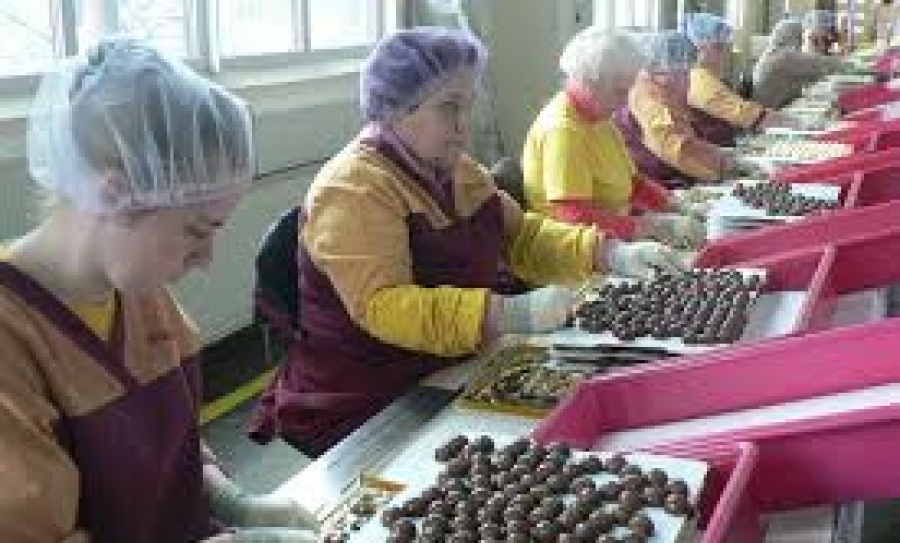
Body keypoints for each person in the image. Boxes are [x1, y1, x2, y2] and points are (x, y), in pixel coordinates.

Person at [249, 27, 683, 457]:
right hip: (371, 396)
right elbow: (385, 306)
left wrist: (608, 252)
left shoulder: (458, 170)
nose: (463, 126)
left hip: (452, 364)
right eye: (448, 108)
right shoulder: (353, 189)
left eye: (467, 107)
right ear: (397, 108)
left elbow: (524, 235)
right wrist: (504, 313)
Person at [1, 37, 321, 543]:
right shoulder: (13, 342)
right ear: (116, 195)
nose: (206, 259)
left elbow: (170, 444)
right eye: (197, 231)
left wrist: (225, 499)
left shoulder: (141, 295)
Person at [521, 26, 704, 247]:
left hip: (613, 236)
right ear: (589, 83)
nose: (626, 100)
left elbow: (634, 184)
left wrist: (674, 205)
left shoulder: (600, 119)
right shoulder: (563, 130)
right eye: (620, 91)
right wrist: (644, 228)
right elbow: (573, 214)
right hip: (574, 251)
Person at [613, 30, 736, 188]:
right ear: (661, 71)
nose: (687, 80)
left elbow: (686, 136)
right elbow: (674, 146)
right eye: (682, 73)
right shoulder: (649, 100)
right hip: (657, 184)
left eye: (687, 72)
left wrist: (720, 154)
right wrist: (723, 166)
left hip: (672, 176)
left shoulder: (662, 91)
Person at [683, 12, 790, 145]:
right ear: (700, 48)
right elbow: (742, 113)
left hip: (723, 140)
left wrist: (778, 116)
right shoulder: (698, 79)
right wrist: (791, 122)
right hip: (715, 146)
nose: (723, 54)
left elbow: (741, 107)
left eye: (723, 47)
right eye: (718, 47)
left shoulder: (706, 75)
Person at [753, 18, 846, 109]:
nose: (802, 41)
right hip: (772, 110)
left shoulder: (773, 54)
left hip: (770, 107)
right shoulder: (785, 57)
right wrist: (817, 43)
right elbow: (830, 65)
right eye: (801, 37)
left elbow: (815, 72)